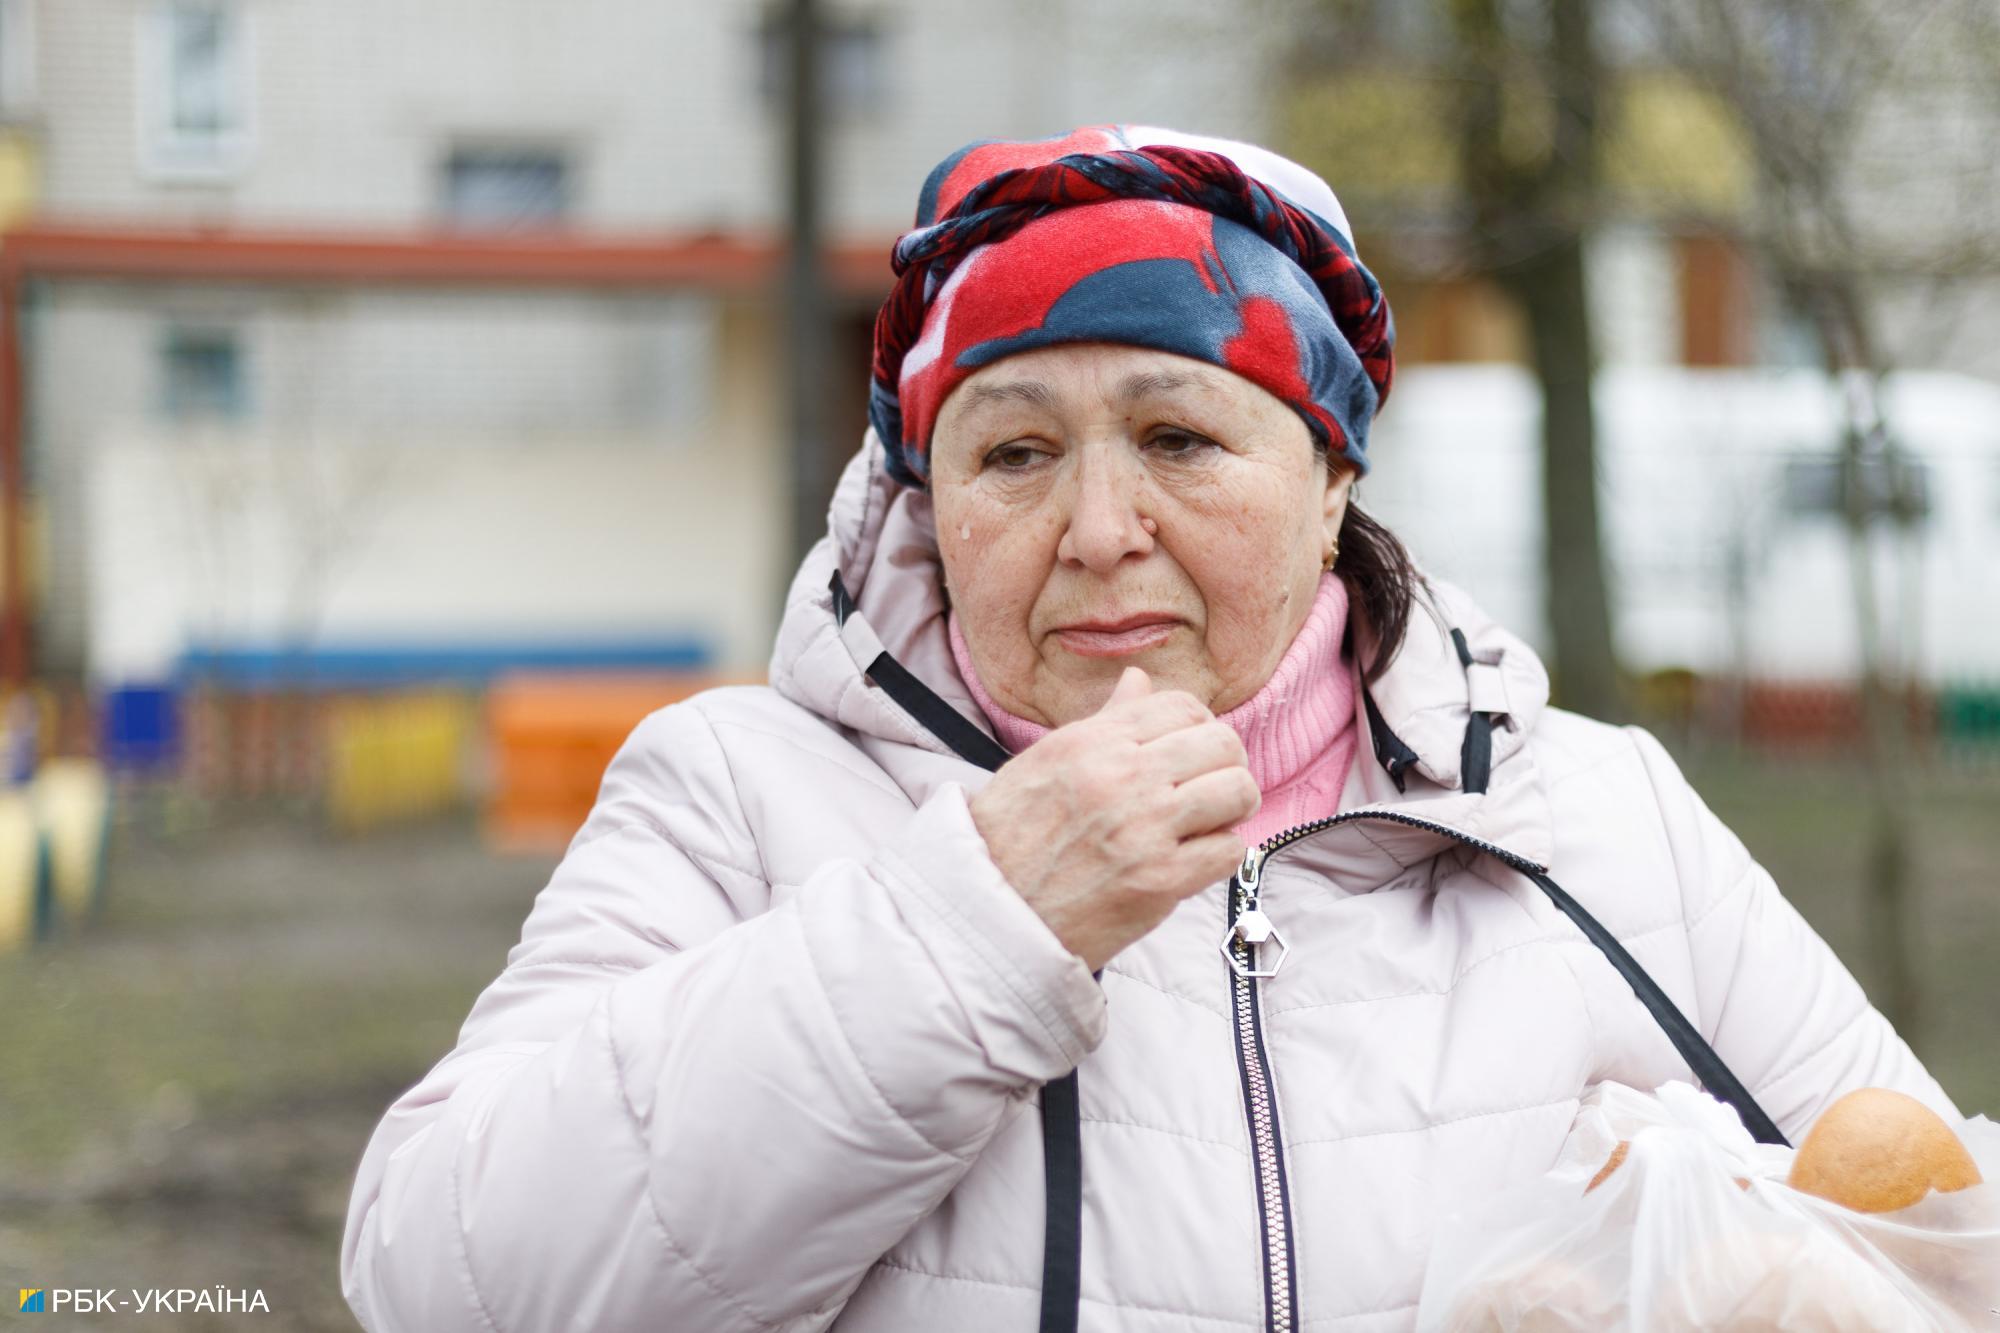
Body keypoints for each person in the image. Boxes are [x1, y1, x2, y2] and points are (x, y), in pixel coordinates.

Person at [340, 125, 1953, 1333]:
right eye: (1014, 454)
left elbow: (1935, 1228)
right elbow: (440, 1275)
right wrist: (970, 922)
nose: (1100, 526)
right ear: (925, 504)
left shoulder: (1598, 816)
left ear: (1334, 484)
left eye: (1181, 435)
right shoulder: (739, 797)